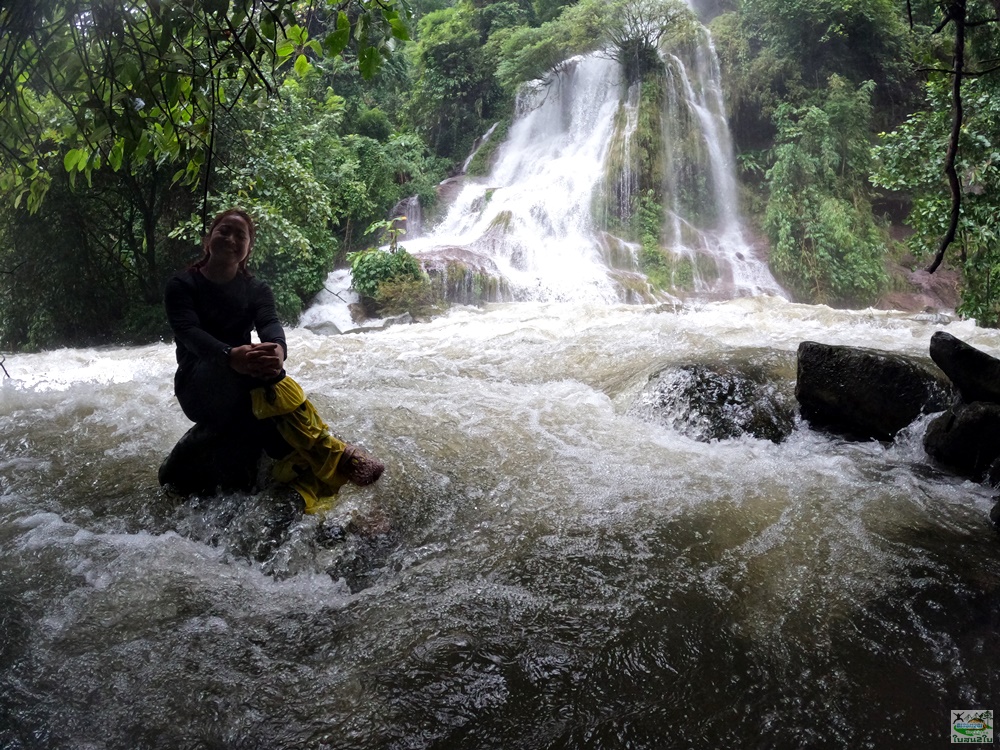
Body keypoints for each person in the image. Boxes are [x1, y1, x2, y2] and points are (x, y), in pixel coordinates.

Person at [161, 208, 383, 512]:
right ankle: (337, 453)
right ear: (207, 239)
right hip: (197, 385)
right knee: (256, 370)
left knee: (266, 374)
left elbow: (270, 325)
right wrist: (229, 355)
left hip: (247, 381)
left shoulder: (256, 289)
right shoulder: (182, 285)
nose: (230, 238)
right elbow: (188, 333)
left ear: (248, 249)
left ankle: (306, 488)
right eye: (223, 230)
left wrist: (278, 349)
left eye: (241, 235)